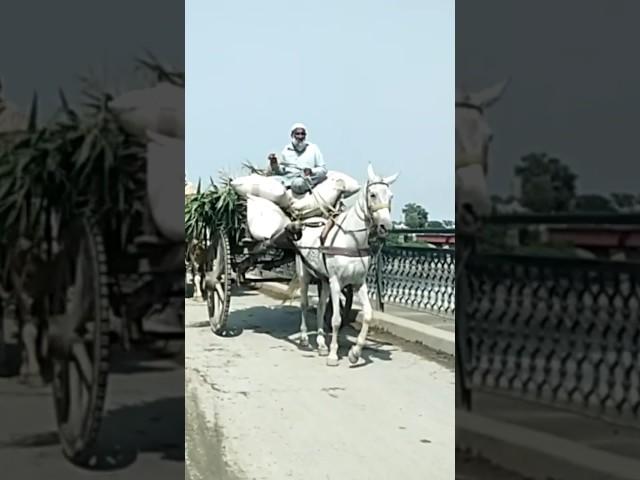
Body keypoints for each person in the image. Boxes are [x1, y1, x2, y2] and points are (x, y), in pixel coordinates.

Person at [267, 123, 327, 194]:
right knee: (269, 182)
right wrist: (274, 163)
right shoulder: (286, 150)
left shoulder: (313, 148)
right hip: (287, 178)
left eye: (302, 134)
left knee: (298, 184)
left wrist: (311, 171)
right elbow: (280, 171)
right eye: (297, 134)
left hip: (305, 178)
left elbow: (323, 169)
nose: (300, 137)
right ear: (292, 135)